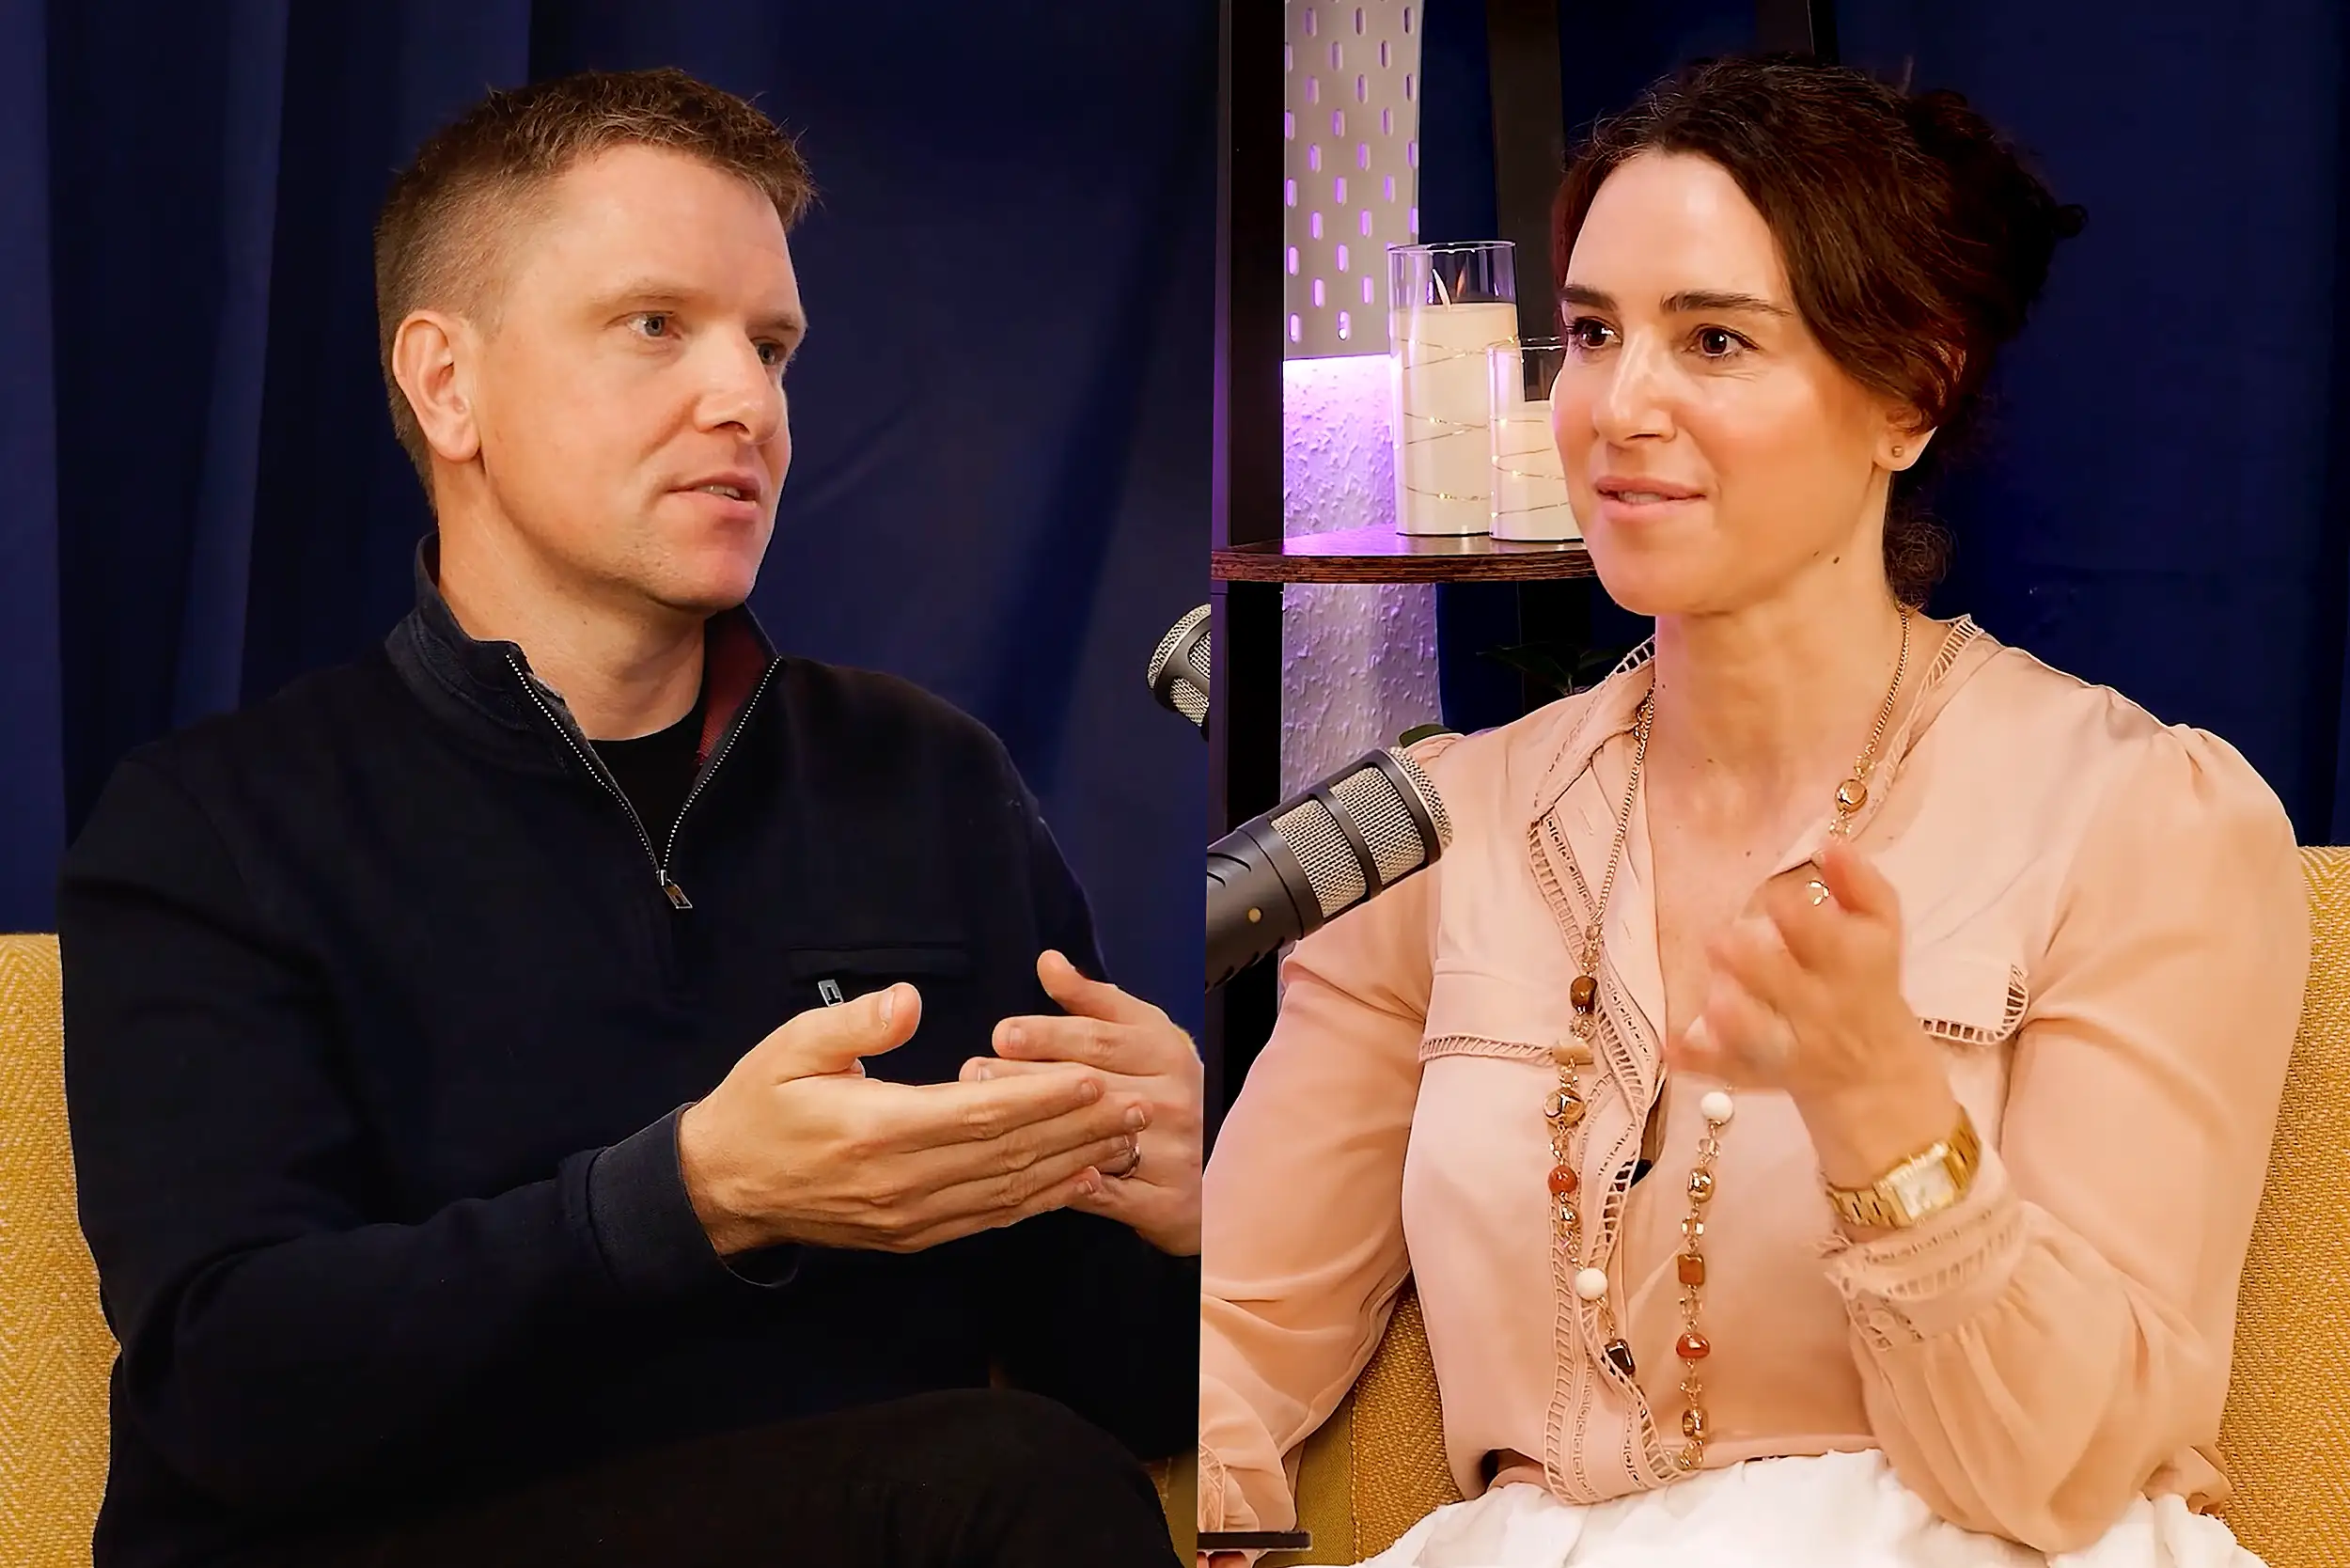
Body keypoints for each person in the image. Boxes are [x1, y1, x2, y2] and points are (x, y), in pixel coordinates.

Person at [59, 67, 1200, 1568]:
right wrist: (690, 1197)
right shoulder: (213, 826)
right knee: (1003, 1485)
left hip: (876, 1528)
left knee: (1027, 1480)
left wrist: (1169, 1211)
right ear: (447, 385)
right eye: (657, 325)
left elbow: (1118, 1394)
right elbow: (231, 1388)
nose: (748, 403)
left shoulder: (923, 781)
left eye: (771, 347)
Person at [1198, 55, 2304, 1568]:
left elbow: (2063, 1473)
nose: (1618, 406)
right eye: (1594, 333)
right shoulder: (1440, 835)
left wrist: (1883, 1111)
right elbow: (1234, 1339)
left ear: (1911, 394)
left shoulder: (2141, 823)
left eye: (1713, 340)